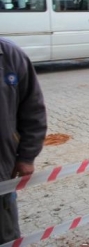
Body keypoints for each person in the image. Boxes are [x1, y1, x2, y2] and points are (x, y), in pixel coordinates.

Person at [0, 38, 47, 243]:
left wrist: (27, 156)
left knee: (6, 236)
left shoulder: (11, 56)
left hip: (2, 174)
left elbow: (33, 110)